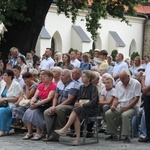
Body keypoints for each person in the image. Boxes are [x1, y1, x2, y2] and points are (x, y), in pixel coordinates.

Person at [54, 70, 99, 145]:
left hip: (91, 109)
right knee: (76, 114)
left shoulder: (93, 88)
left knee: (76, 110)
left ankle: (65, 128)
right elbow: (78, 98)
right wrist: (76, 103)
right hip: (81, 108)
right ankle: (77, 138)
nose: (82, 78)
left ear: (88, 78)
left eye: (84, 77)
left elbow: (94, 101)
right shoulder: (81, 87)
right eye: (82, 77)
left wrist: (83, 105)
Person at [105, 69, 141, 143]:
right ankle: (113, 133)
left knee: (125, 115)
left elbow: (136, 98)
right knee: (108, 113)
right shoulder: (118, 84)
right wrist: (113, 105)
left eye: (123, 78)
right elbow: (117, 98)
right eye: (120, 78)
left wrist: (127, 107)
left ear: (128, 76)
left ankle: (126, 136)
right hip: (121, 105)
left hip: (133, 107)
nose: (121, 80)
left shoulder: (136, 83)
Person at [43, 69, 79, 142]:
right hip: (59, 105)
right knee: (47, 112)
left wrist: (56, 107)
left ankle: (62, 127)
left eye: (63, 75)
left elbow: (69, 99)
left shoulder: (74, 84)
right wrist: (53, 106)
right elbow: (55, 97)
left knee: (59, 109)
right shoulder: (60, 83)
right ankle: (53, 135)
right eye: (61, 75)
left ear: (69, 77)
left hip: (70, 106)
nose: (61, 77)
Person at [22, 70, 57, 140]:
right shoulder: (41, 85)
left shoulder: (53, 86)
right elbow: (35, 96)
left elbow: (49, 98)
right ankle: (29, 132)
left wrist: (37, 104)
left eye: (45, 76)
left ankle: (39, 132)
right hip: (39, 103)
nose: (43, 78)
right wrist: (32, 102)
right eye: (42, 76)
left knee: (35, 112)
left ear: (50, 78)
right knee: (28, 111)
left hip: (47, 104)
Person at [0, 70, 21, 136]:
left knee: (1, 111)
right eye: (3, 75)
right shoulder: (3, 83)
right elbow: (0, 93)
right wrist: (0, 98)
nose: (3, 77)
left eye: (5, 75)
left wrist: (5, 99)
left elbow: (16, 98)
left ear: (10, 77)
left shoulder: (16, 85)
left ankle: (2, 130)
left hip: (11, 104)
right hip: (2, 103)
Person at [139, 61, 150, 142]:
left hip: (148, 90)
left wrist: (147, 88)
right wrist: (143, 86)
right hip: (146, 92)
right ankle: (148, 134)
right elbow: (144, 76)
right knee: (147, 114)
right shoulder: (149, 64)